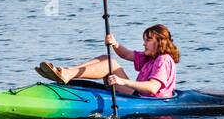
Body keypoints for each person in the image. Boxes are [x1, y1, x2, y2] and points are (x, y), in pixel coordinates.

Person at [36, 25, 180, 98]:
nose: (144, 44)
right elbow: (127, 54)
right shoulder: (151, 57)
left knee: (110, 64)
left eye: (148, 40)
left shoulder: (163, 59)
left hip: (147, 100)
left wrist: (122, 81)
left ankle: (67, 74)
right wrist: (114, 43)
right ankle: (67, 72)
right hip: (140, 96)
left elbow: (153, 88)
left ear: (160, 42)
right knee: (107, 59)